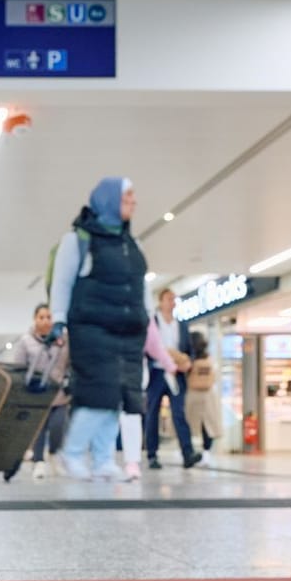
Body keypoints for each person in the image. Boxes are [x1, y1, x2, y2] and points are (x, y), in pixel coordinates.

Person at [50, 179, 150, 482]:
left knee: (119, 397)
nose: (134, 201)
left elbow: (140, 287)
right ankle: (73, 453)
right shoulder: (78, 240)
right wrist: (58, 318)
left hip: (128, 332)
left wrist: (146, 319)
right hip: (92, 328)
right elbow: (62, 281)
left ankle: (104, 459)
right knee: (98, 393)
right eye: (127, 196)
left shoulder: (131, 243)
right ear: (109, 200)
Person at [8, 304, 72, 481]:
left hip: (59, 393)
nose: (45, 321)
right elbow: (19, 367)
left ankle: (54, 453)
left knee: (58, 426)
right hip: (35, 394)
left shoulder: (64, 340)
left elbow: (71, 364)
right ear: (35, 319)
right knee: (38, 429)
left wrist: (70, 381)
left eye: (49, 317)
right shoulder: (26, 341)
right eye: (41, 317)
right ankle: (39, 461)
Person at [143, 288, 200, 471]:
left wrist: (188, 363)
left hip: (177, 374)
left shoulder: (181, 325)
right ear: (161, 301)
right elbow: (148, 347)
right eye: (169, 299)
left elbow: (189, 350)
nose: (172, 302)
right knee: (153, 413)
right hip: (157, 374)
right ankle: (152, 454)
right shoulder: (153, 322)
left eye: (174, 299)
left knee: (179, 413)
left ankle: (187, 452)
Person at [183, 330, 223, 454]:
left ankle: (188, 451)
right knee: (207, 425)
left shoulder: (189, 360)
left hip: (191, 395)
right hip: (208, 395)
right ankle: (206, 452)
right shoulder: (209, 360)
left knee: (188, 423)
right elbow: (215, 376)